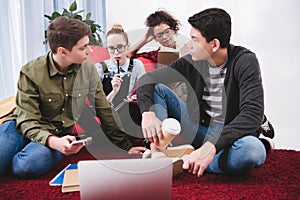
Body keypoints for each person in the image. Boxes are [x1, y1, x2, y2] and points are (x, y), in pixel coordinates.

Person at [0, 16, 145, 179]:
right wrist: (51, 142)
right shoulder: (30, 71)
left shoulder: (88, 70)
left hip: (57, 133)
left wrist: (126, 147)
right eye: (83, 48)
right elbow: (26, 120)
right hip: (19, 126)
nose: (90, 51)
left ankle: (19, 156)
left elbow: (104, 109)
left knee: (25, 166)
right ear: (62, 51)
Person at [137, 8, 275, 177]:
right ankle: (160, 152)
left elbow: (252, 113)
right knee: (159, 89)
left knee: (252, 151)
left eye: (195, 40)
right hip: (200, 128)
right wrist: (147, 113)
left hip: (229, 134)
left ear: (214, 44)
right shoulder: (192, 61)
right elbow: (148, 79)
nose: (189, 45)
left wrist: (211, 147)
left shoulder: (245, 61)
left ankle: (187, 159)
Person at [96, 23, 145, 138]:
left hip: (127, 111)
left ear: (128, 46)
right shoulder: (99, 67)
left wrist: (138, 98)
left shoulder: (136, 65)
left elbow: (145, 89)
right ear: (107, 48)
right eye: (111, 49)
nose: (116, 53)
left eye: (120, 47)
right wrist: (113, 92)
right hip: (107, 111)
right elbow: (98, 105)